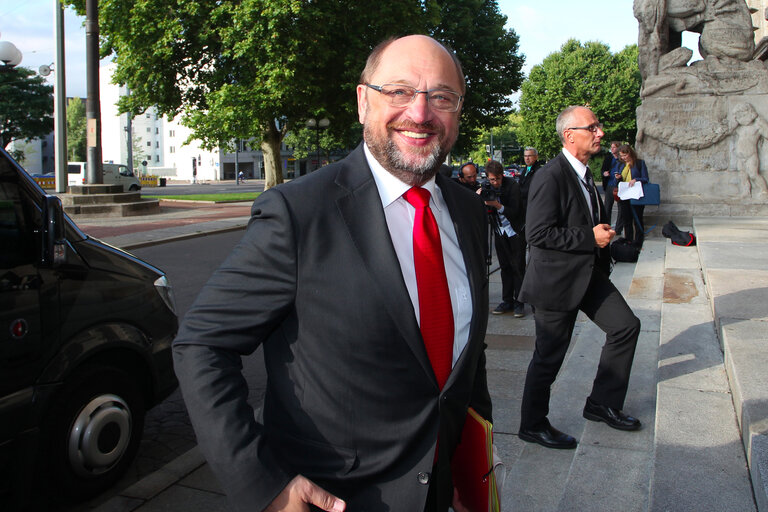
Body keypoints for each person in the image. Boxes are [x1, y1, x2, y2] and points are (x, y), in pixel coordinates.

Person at [172, 34, 491, 512]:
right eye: (399, 91)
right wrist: (263, 484)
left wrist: (471, 470)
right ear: (364, 101)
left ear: (458, 111)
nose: (421, 113)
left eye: (441, 97)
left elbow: (467, 358)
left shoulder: (468, 211)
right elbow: (201, 343)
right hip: (335, 500)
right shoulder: (298, 213)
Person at [517, 105, 642, 450]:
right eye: (594, 127)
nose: (601, 132)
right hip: (556, 283)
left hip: (588, 275)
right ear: (570, 135)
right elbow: (537, 234)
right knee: (549, 356)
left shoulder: (587, 172)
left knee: (625, 326)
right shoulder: (550, 175)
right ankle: (532, 424)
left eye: (599, 126)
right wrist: (591, 237)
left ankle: (602, 403)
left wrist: (611, 245)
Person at [482, 160, 526, 317]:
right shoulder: (487, 187)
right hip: (499, 231)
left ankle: (519, 301)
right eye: (492, 180)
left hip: (515, 230)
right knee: (505, 267)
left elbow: (516, 211)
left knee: (518, 267)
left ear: (502, 176)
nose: (495, 183)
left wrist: (497, 205)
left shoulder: (512, 186)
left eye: (498, 179)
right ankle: (507, 300)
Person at [616, 144, 650, 245]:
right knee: (626, 219)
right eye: (621, 156)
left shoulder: (639, 163)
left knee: (637, 218)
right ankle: (628, 239)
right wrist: (618, 178)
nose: (623, 158)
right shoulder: (621, 164)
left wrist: (636, 179)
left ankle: (639, 240)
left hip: (636, 194)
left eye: (625, 155)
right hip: (624, 194)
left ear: (630, 153)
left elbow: (646, 179)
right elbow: (620, 181)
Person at [600, 141, 623, 230]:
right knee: (607, 207)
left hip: (619, 186)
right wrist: (604, 173)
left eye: (614, 147)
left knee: (621, 208)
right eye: (611, 147)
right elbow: (603, 170)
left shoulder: (622, 159)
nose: (612, 149)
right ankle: (606, 227)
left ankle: (618, 229)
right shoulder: (608, 158)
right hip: (610, 184)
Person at [518, 147, 542, 217]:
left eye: (529, 156)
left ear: (536, 157)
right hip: (523, 207)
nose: (527, 158)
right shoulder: (524, 170)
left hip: (533, 207)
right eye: (525, 156)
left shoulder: (539, 171)